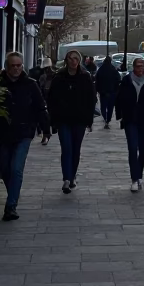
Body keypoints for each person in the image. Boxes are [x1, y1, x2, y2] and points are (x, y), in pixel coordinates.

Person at [0, 51, 51, 220]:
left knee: (16, 169)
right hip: (3, 133)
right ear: (6, 67)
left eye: (19, 65)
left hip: (24, 132)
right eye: (13, 65)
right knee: (5, 170)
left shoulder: (30, 84)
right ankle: (13, 193)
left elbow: (40, 107)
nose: (16, 69)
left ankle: (11, 206)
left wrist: (46, 129)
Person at [47, 49, 96, 193]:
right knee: (66, 148)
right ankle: (66, 179)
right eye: (70, 58)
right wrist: (53, 118)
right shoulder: (59, 77)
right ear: (66, 60)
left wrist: (89, 120)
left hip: (79, 120)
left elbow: (91, 99)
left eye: (76, 58)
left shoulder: (85, 77)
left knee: (75, 149)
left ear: (79, 61)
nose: (73, 61)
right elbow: (51, 99)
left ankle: (72, 175)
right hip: (63, 119)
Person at [115, 55, 144, 193]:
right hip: (130, 119)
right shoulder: (127, 80)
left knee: (143, 148)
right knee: (132, 148)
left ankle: (139, 173)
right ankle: (135, 179)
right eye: (138, 66)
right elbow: (119, 98)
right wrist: (120, 115)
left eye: (142, 66)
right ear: (133, 67)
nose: (140, 69)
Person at [95, 55, 121, 129]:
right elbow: (118, 79)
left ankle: (105, 118)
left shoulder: (100, 70)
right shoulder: (113, 69)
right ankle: (108, 120)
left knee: (103, 107)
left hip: (103, 92)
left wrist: (98, 90)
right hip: (112, 92)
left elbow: (97, 81)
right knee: (110, 107)